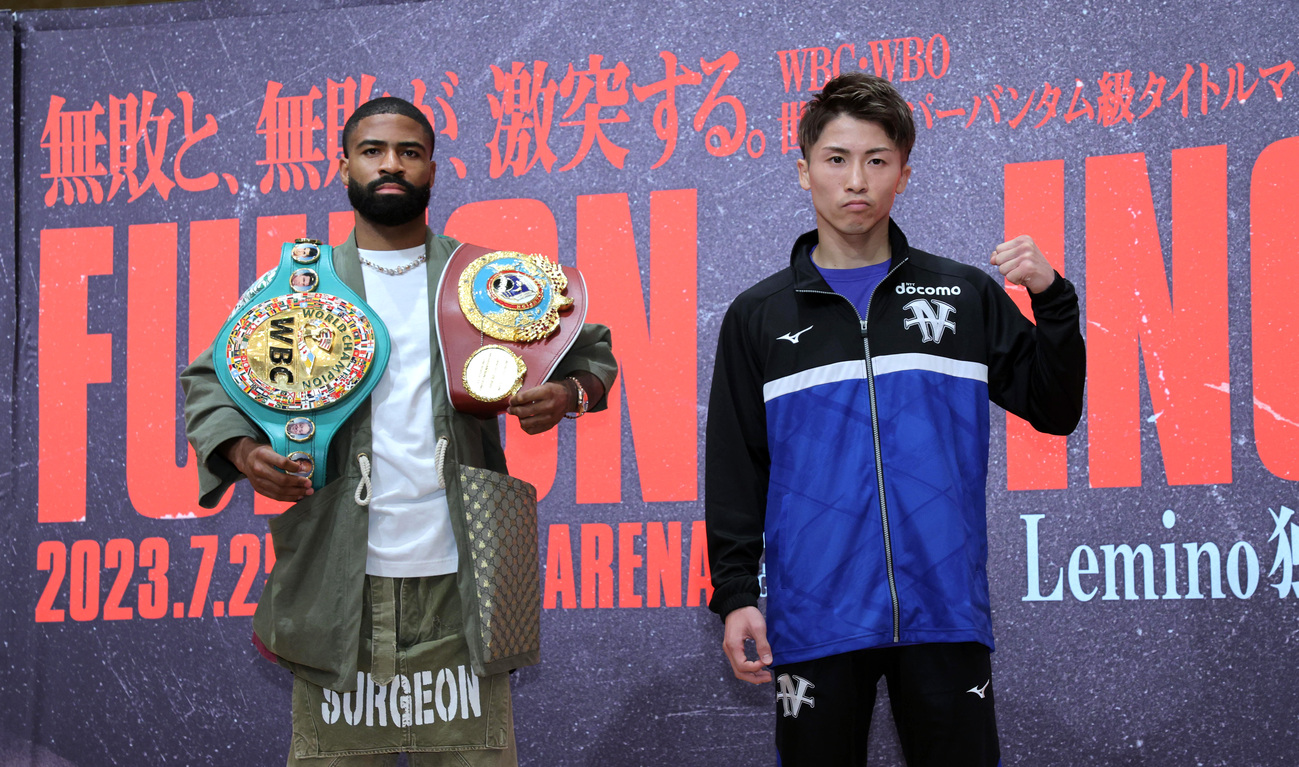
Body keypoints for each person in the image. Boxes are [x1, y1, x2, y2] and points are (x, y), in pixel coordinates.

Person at [182, 97, 617, 766]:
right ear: (344, 166)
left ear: (433, 169)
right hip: (337, 584)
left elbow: (590, 354)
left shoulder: (482, 280)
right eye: (373, 150)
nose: (391, 165)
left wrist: (567, 394)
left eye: (408, 153)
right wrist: (242, 452)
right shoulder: (297, 284)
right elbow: (209, 381)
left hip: (464, 584)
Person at [704, 73, 1085, 765]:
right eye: (836, 158)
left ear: (903, 174)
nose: (857, 180)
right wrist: (734, 593)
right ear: (803, 171)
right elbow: (736, 465)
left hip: (943, 610)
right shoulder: (758, 315)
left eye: (877, 160)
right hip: (814, 613)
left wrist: (1053, 301)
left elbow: (1055, 409)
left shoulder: (962, 293)